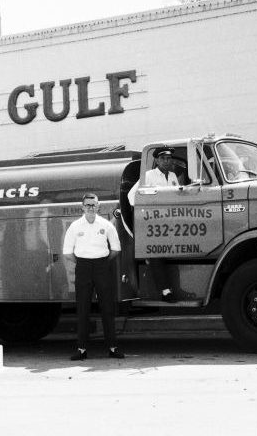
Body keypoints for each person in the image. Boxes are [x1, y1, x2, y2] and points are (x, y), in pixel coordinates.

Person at [63, 193, 124, 360]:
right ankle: (81, 350)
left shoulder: (106, 225)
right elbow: (67, 252)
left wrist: (101, 262)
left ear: (99, 207)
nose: (90, 207)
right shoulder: (75, 226)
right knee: (83, 309)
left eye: (93, 204)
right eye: (87, 205)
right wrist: (83, 262)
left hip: (102, 266)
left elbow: (116, 249)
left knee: (107, 309)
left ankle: (112, 348)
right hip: (83, 268)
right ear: (82, 207)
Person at [127, 147, 179, 303]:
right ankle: (165, 291)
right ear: (156, 160)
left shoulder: (173, 176)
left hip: (170, 222)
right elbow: (131, 196)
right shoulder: (148, 176)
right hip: (154, 222)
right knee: (156, 253)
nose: (167, 161)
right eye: (163, 158)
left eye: (169, 158)